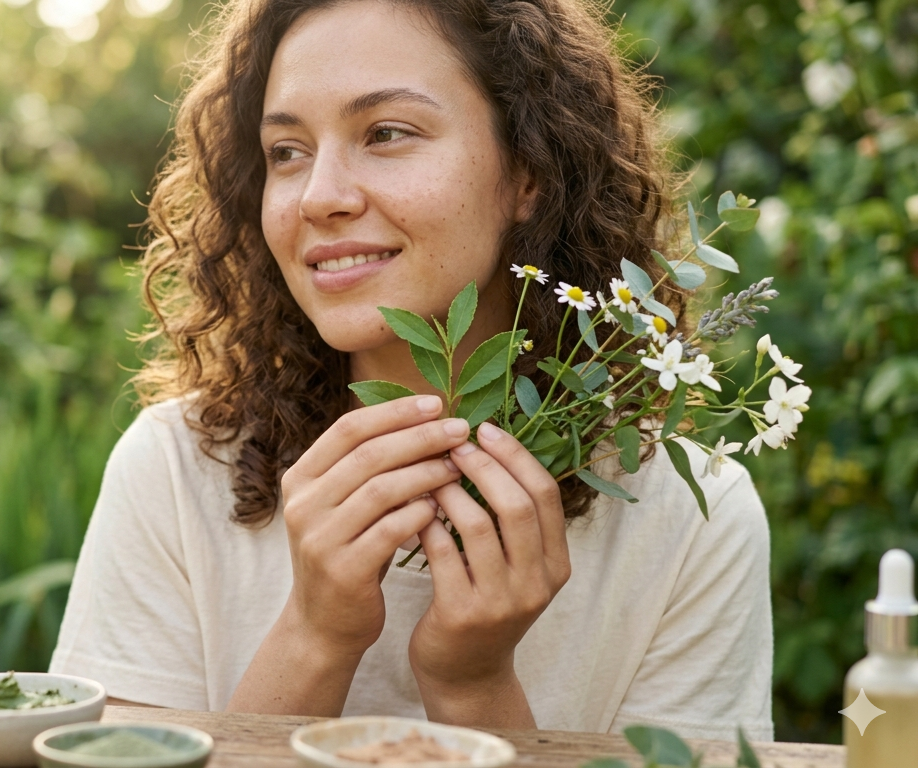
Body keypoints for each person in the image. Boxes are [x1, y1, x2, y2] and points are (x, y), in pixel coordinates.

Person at [49, 0, 773, 741]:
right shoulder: (177, 470)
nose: (319, 197)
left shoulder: (688, 520)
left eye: (386, 133)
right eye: (286, 151)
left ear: (528, 171)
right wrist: (314, 636)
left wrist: (473, 683)